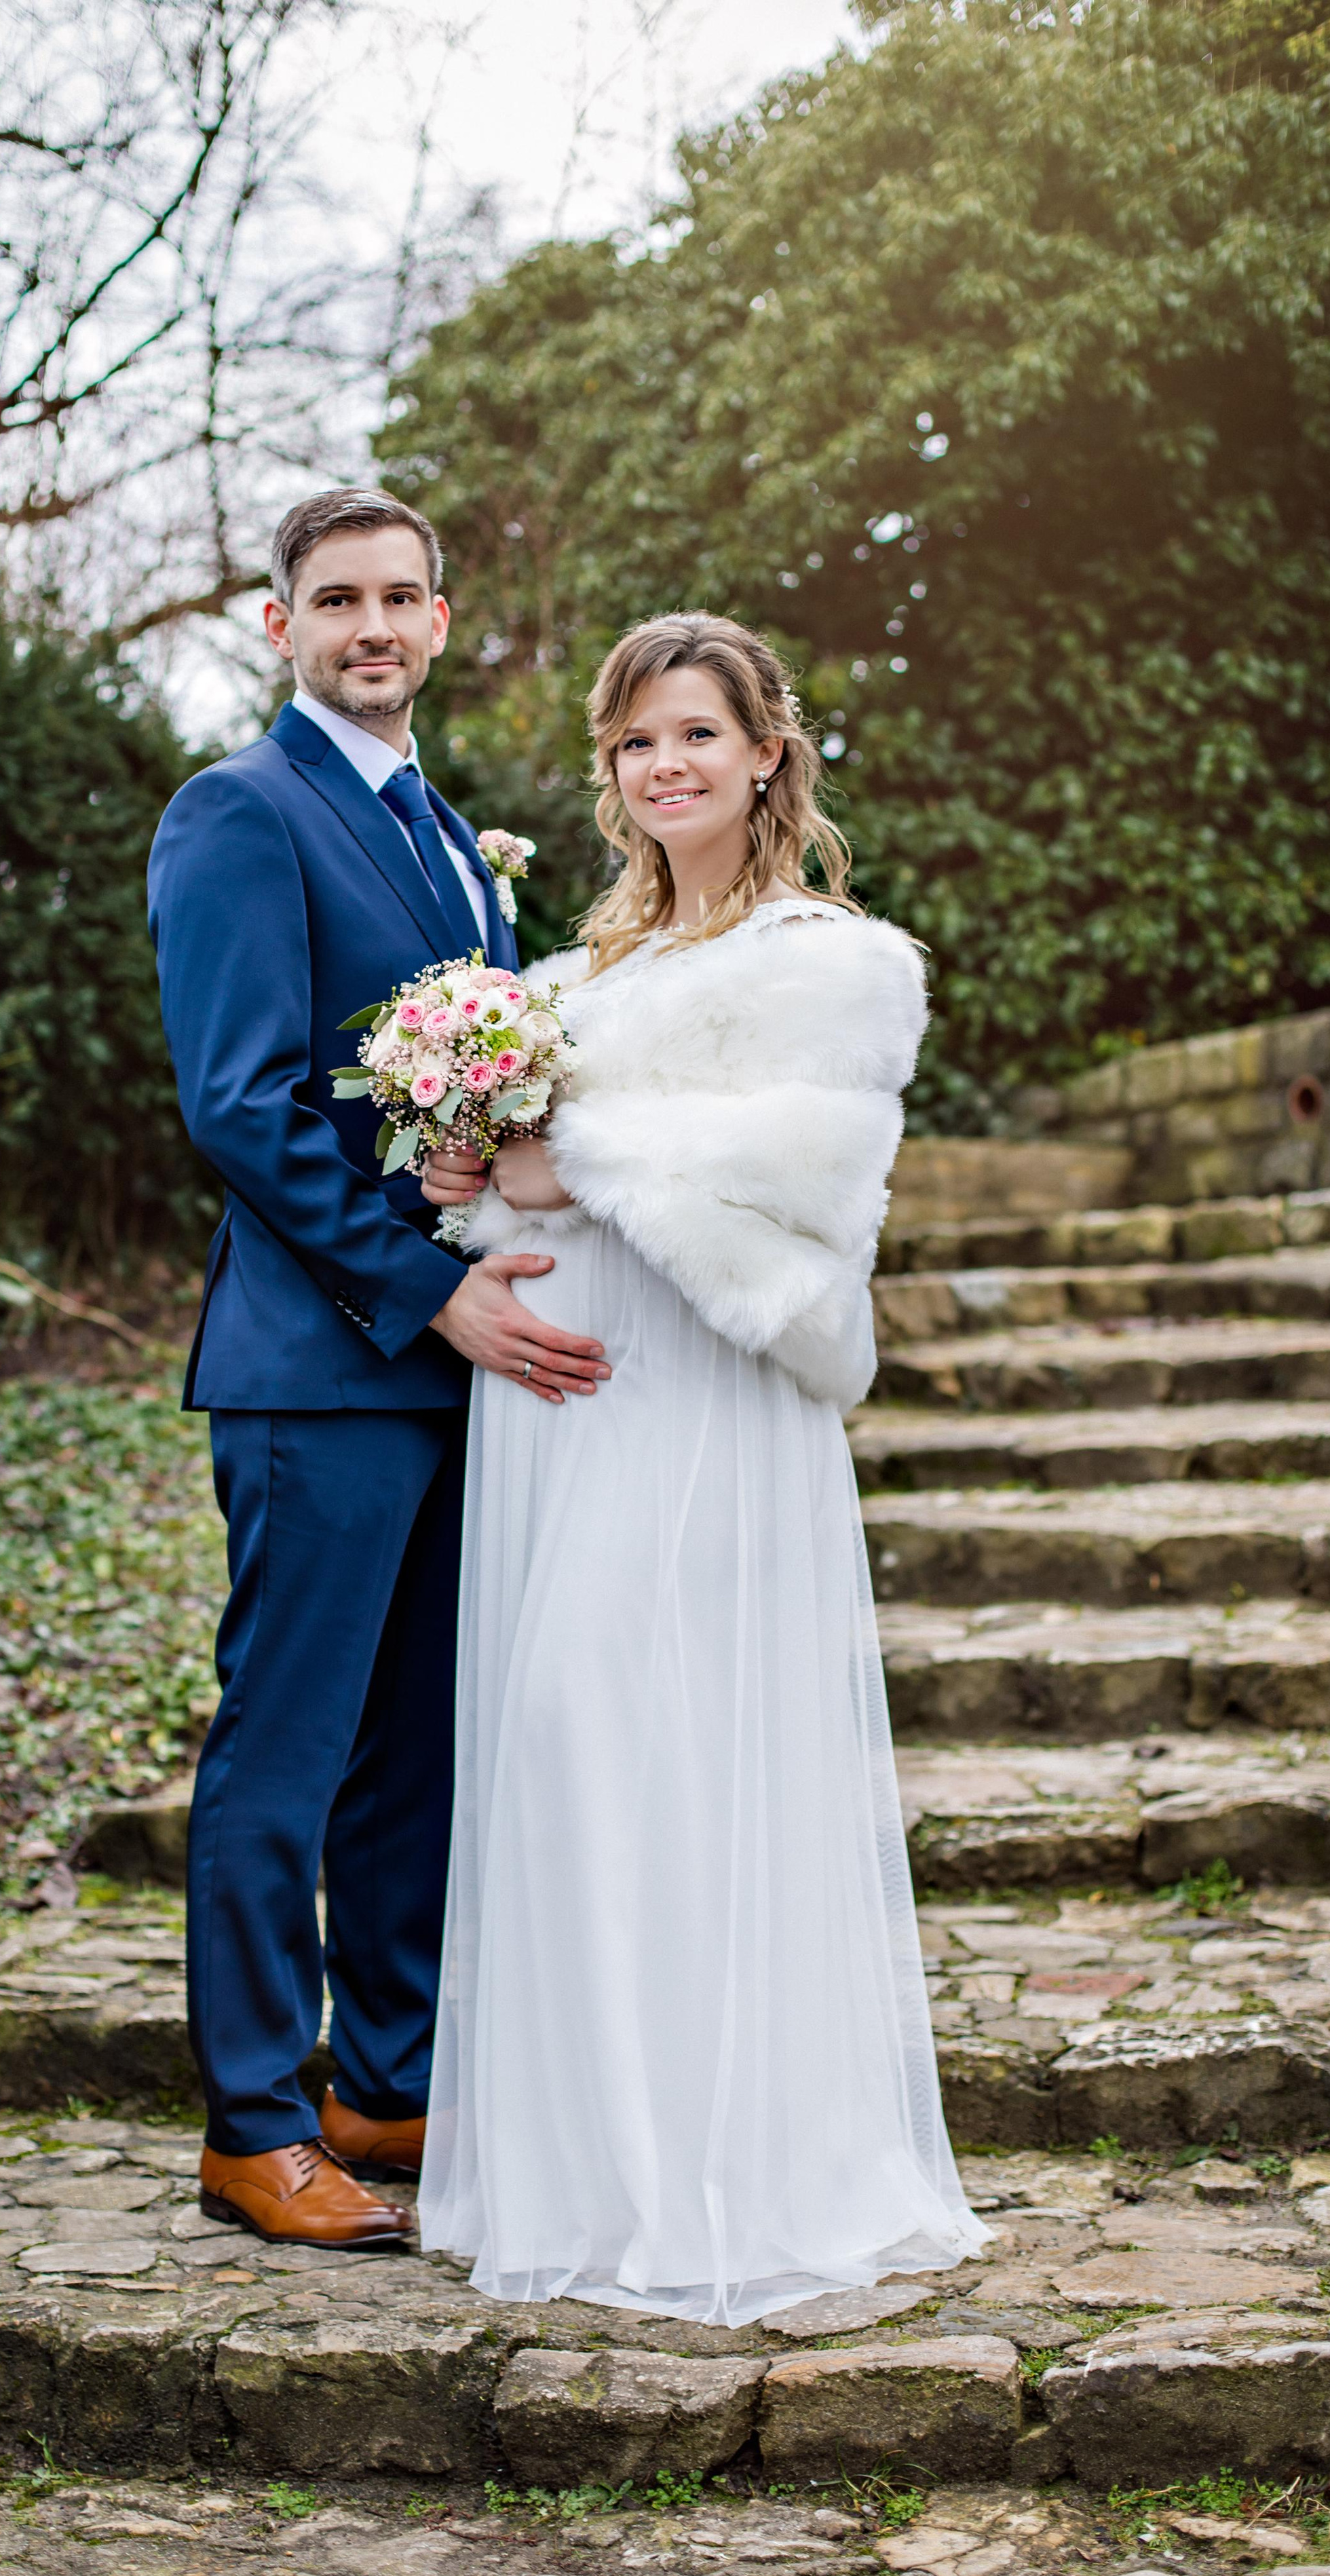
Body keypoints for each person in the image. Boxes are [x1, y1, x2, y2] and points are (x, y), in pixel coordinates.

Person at [417, 611, 987, 2324]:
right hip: (559, 1392)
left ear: (763, 753)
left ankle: (736, 2174)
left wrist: (559, 1153)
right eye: (635, 744)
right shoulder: (564, 982)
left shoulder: (836, 960)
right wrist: (457, 1166)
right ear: (610, 775)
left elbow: (799, 1176)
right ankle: (595, 2172)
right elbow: (497, 1181)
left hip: (706, 1394)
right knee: (563, 1750)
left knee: (658, 1730)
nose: (666, 765)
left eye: (696, 735)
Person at [147, 487, 611, 2253]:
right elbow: (245, 1105)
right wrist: (429, 1292)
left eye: (400, 597)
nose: (372, 626)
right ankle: (253, 2124)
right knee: (289, 1744)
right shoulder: (239, 813)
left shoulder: (440, 837)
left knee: (414, 1749)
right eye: (335, 599)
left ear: (439, 617)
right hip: (321, 1364)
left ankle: (382, 2078)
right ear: (281, 626)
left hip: (450, 1368)